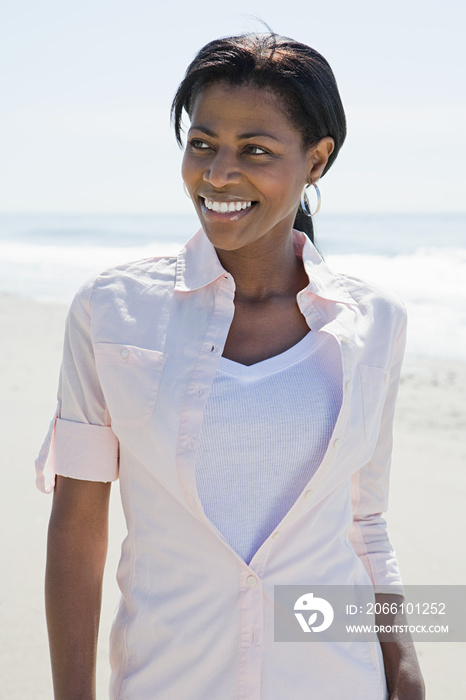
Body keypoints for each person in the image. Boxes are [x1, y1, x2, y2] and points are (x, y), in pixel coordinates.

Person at [36, 31, 425, 700]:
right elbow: (78, 528)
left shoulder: (375, 323)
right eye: (203, 143)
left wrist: (409, 673)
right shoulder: (111, 312)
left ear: (317, 161)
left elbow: (364, 524)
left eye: (257, 151)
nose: (218, 175)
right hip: (167, 683)